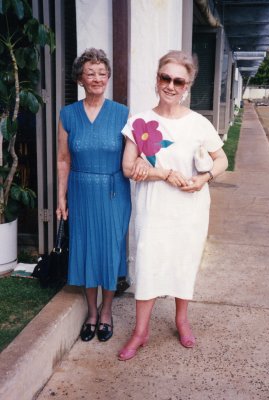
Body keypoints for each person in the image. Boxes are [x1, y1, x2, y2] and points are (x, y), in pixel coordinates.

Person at [119, 50, 228, 360]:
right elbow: (128, 168)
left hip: (189, 209)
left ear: (187, 86)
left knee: (183, 262)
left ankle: (181, 320)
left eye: (178, 81)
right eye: (165, 78)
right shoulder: (140, 121)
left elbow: (222, 160)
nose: (170, 85)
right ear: (157, 79)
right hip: (153, 210)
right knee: (148, 264)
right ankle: (141, 331)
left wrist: (204, 178)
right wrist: (160, 172)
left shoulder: (199, 124)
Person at [56, 48, 146, 343]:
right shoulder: (68, 114)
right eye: (90, 73)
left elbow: (138, 154)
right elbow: (63, 159)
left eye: (102, 73)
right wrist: (61, 197)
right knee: (84, 249)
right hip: (81, 191)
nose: (97, 78)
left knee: (110, 250)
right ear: (80, 79)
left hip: (113, 192)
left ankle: (106, 312)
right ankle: (91, 313)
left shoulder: (122, 113)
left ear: (108, 78)